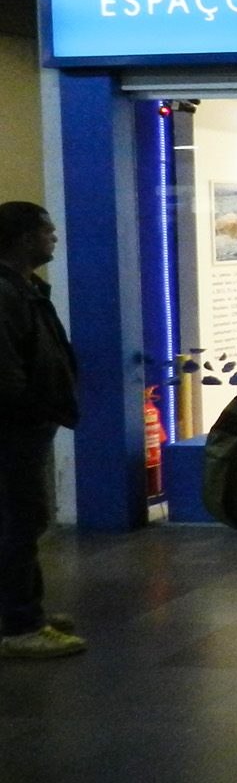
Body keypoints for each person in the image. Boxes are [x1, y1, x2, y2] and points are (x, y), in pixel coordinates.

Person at [0, 201, 87, 658]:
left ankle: (21, 608)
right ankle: (20, 624)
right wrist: (34, 409)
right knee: (19, 521)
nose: (53, 237)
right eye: (45, 231)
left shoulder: (24, 287)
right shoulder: (6, 292)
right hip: (14, 429)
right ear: (21, 238)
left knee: (23, 520)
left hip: (26, 425)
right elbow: (6, 372)